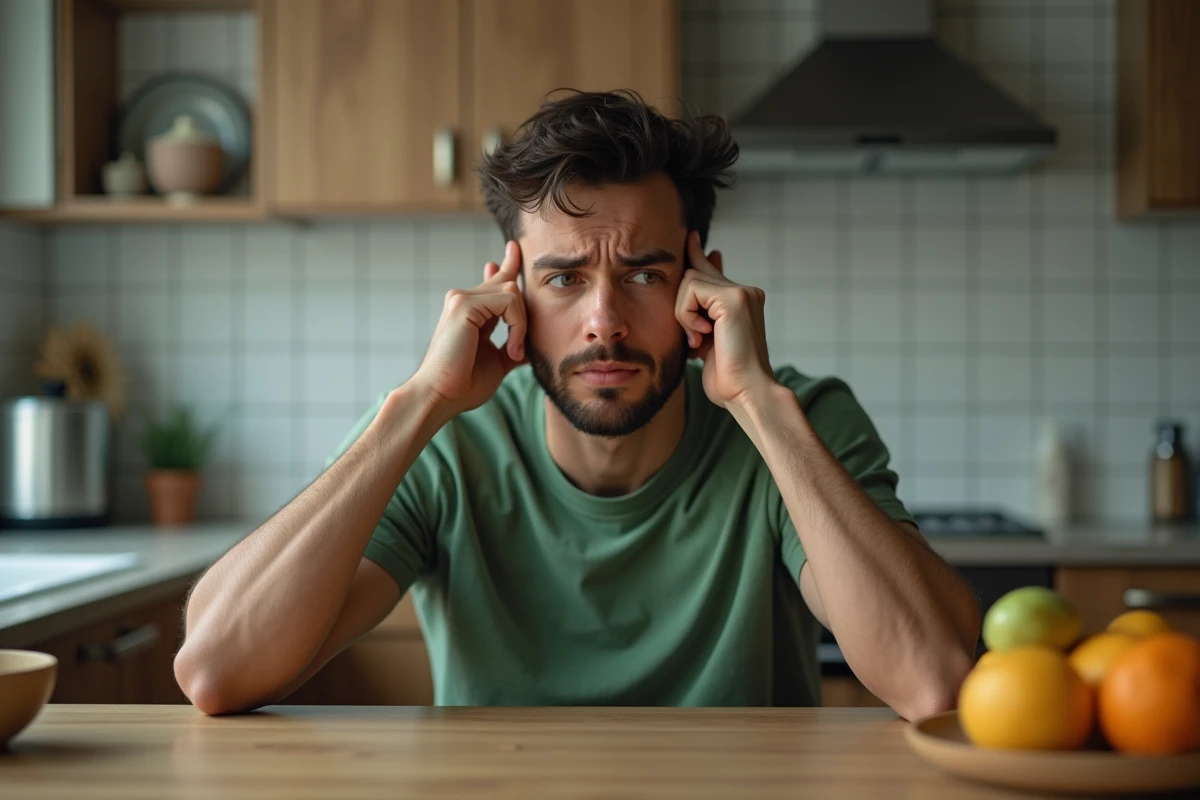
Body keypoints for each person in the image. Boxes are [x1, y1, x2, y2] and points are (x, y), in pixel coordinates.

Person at [174, 90, 979, 718]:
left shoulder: (796, 420)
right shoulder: (445, 440)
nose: (603, 321)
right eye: (563, 279)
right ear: (508, 292)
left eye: (642, 274)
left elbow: (936, 681)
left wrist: (757, 402)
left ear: (704, 285)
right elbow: (215, 669)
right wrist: (421, 401)